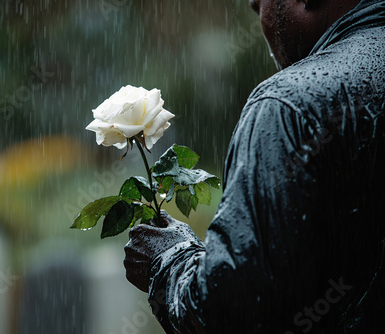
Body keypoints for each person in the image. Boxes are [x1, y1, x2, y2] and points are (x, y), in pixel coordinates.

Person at [123, 0, 385, 332]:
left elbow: (230, 316)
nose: (259, 15)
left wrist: (169, 259)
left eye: (258, 4)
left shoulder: (288, 106)